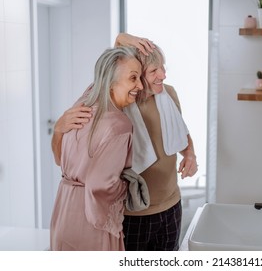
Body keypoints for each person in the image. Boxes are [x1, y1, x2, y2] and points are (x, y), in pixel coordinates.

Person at [51, 33, 198, 251]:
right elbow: (111, 69)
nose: (163, 75)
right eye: (153, 70)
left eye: (163, 67)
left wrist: (190, 154)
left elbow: (181, 130)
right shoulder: (119, 102)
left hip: (170, 206)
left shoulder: (169, 95)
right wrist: (59, 129)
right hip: (132, 215)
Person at [50, 46, 143, 251]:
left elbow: (59, 160)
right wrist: (129, 185)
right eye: (134, 78)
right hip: (90, 220)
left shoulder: (81, 105)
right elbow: (102, 185)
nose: (141, 86)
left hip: (63, 211)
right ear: (111, 81)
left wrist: (58, 129)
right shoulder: (120, 125)